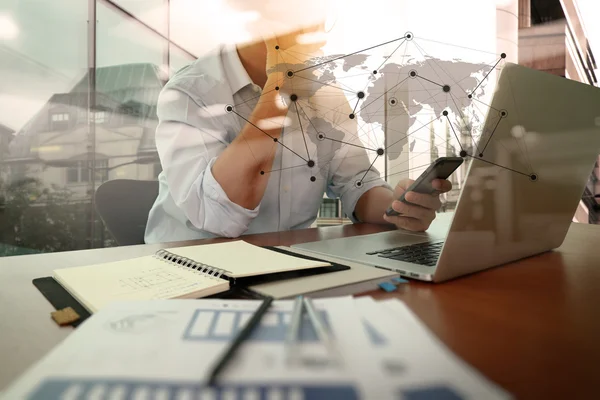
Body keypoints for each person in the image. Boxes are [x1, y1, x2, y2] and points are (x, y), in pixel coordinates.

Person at [144, 25, 452, 243]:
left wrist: (397, 208)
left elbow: (357, 182)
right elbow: (219, 217)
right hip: (193, 267)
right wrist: (279, 85)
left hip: (290, 262)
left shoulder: (326, 96)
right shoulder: (192, 90)